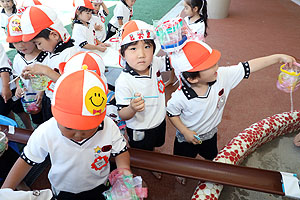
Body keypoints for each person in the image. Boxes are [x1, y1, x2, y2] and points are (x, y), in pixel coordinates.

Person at [167, 39, 296, 184]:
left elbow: (249, 66)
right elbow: (172, 113)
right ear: (192, 78)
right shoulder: (179, 97)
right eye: (209, 66)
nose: (217, 66)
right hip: (187, 138)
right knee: (182, 161)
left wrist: (278, 57)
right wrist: (185, 131)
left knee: (212, 157)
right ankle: (181, 174)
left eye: (215, 62)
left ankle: (210, 171)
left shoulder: (222, 76)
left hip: (210, 133)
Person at [1, 58, 131, 199]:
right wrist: (5, 190)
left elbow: (121, 151)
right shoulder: (46, 131)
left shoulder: (109, 126)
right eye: (69, 127)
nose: (78, 134)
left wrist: (124, 170)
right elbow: (26, 160)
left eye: (87, 128)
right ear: (56, 113)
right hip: (64, 190)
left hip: (100, 184)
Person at [115, 20, 172, 179]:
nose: (141, 54)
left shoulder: (155, 63)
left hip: (159, 120)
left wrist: (177, 46)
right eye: (133, 48)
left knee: (154, 145)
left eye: (147, 46)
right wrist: (132, 108)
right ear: (123, 53)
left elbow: (173, 62)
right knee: (141, 150)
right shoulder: (124, 82)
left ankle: (151, 159)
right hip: (139, 127)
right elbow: (123, 114)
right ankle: (146, 165)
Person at [20, 5, 78, 121]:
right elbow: (49, 77)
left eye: (38, 43)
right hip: (51, 100)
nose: (39, 48)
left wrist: (45, 70)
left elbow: (71, 85)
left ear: (54, 35)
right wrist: (34, 77)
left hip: (65, 105)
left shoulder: (71, 54)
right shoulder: (51, 51)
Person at [6, 14, 48, 126]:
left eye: (24, 40)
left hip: (46, 98)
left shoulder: (46, 57)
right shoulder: (18, 58)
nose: (20, 45)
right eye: (15, 42)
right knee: (38, 121)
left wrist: (42, 91)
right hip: (30, 99)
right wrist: (19, 86)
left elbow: (51, 77)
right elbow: (16, 76)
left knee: (50, 120)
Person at [0, 44, 34, 130]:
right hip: (4, 89)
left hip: (9, 86)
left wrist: (6, 87)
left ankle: (29, 128)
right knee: (6, 112)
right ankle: (15, 130)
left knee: (20, 109)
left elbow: (3, 67)